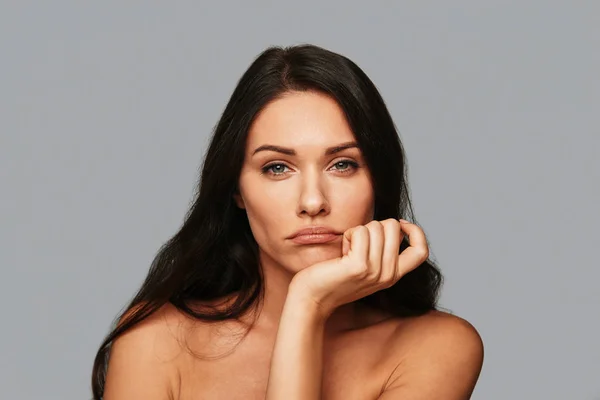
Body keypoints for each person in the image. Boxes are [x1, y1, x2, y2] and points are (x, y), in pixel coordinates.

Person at [91, 43, 484, 399]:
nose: (313, 201)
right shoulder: (156, 341)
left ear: (377, 180)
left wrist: (306, 304)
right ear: (237, 191)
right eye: (277, 168)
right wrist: (308, 305)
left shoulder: (436, 348)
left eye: (342, 164)